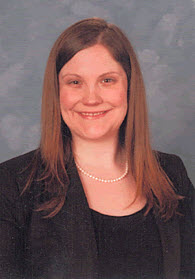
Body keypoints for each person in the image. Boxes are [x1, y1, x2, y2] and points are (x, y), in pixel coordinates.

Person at [0, 18, 194, 279]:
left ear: (129, 86)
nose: (91, 98)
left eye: (107, 80)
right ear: (57, 91)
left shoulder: (172, 174)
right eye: (75, 82)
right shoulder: (13, 183)